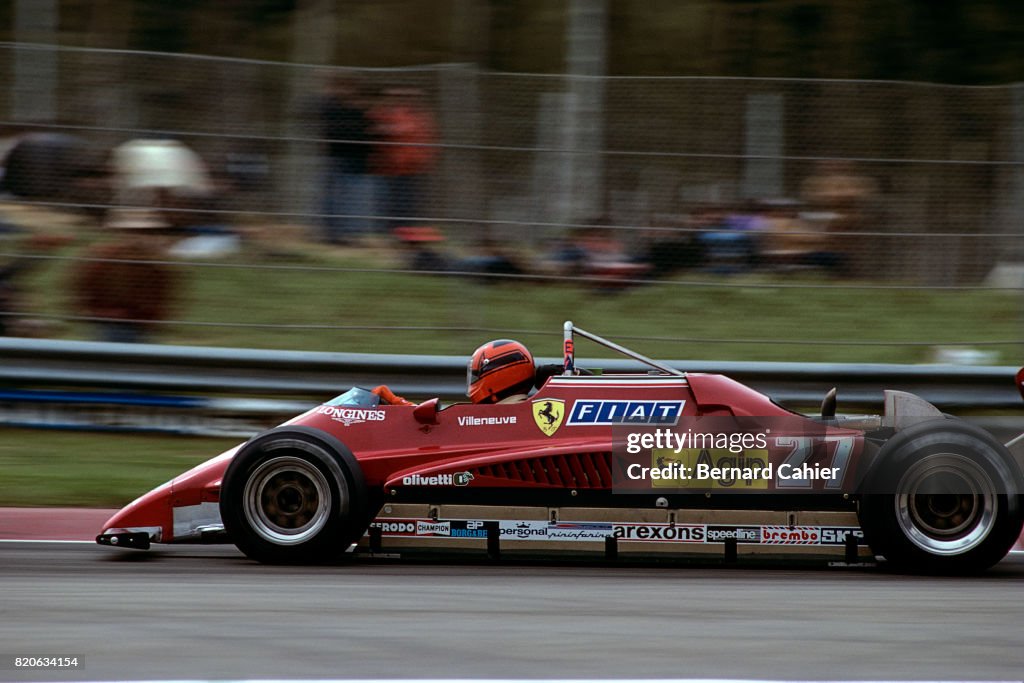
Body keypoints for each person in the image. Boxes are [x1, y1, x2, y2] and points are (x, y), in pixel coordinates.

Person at [372, 339, 535, 406]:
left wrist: (398, 404)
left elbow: (442, 426)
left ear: (499, 375)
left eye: (476, 375)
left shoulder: (505, 420)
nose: (473, 381)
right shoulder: (520, 412)